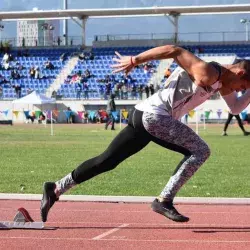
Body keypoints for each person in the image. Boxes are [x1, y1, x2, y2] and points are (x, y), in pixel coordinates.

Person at [41, 45, 250, 223]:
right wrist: (135, 60)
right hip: (155, 116)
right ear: (240, 73)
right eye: (243, 87)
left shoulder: (222, 84)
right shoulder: (207, 71)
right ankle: (164, 200)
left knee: (107, 161)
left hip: (143, 114)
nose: (239, 90)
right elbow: (174, 49)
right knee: (200, 150)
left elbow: (235, 108)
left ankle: (56, 188)